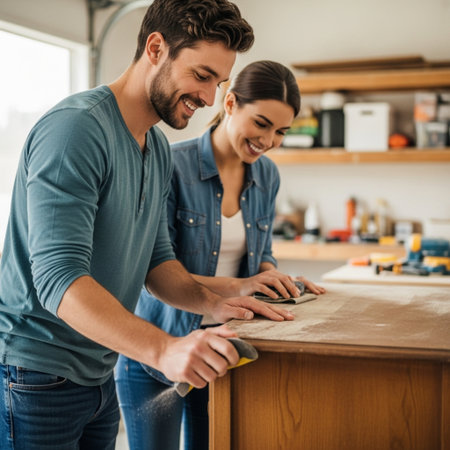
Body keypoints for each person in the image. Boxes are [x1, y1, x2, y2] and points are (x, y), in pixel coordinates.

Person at [0, 2, 296, 449]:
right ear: (156, 48)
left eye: (218, 83)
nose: (209, 99)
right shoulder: (77, 130)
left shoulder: (155, 147)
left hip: (99, 373)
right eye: (201, 76)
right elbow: (58, 278)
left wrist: (219, 302)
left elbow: (158, 264)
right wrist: (163, 349)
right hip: (35, 375)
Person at [115, 60, 326, 450]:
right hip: (158, 345)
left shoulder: (268, 176)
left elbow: (261, 255)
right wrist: (241, 286)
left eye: (281, 131)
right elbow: (155, 268)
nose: (269, 141)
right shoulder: (171, 165)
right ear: (229, 104)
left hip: (225, 349)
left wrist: (277, 281)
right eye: (261, 124)